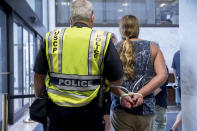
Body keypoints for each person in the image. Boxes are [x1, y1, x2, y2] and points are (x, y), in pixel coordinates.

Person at [33, 0, 127, 130]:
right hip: (92, 112)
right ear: (92, 18)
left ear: (70, 19)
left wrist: (40, 98)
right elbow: (117, 80)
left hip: (57, 112)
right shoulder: (103, 39)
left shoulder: (52, 37)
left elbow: (38, 75)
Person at [110, 15, 168, 131]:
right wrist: (140, 94)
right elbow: (163, 75)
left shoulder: (112, 49)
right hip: (145, 109)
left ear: (121, 29)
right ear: (138, 28)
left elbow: (105, 79)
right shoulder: (153, 48)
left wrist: (122, 95)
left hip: (120, 108)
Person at [154, 67, 169, 131]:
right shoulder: (162, 66)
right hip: (158, 102)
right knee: (160, 123)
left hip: (153, 100)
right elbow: (159, 87)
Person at [171, 50, 182, 131]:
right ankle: (174, 127)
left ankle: (175, 127)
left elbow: (174, 69)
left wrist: (176, 81)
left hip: (181, 84)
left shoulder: (176, 53)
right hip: (191, 85)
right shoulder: (192, 53)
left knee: (184, 108)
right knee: (187, 108)